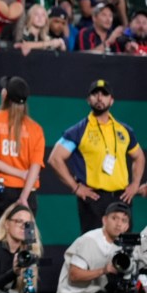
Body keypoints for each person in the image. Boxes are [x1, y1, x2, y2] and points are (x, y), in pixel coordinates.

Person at [48, 79, 145, 234]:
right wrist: (75, 187)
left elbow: (138, 156)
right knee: (94, 250)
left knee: (123, 251)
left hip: (122, 198)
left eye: (104, 94)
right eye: (95, 94)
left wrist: (135, 184)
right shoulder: (78, 131)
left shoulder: (124, 130)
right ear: (88, 100)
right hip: (94, 199)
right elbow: (55, 158)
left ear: (111, 100)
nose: (100, 98)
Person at [0, 75, 45, 238]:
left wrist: (19, 175)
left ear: (5, 95)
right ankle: (28, 265)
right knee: (28, 245)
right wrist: (24, 198)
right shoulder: (36, 129)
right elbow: (35, 167)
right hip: (29, 197)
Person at [56, 201, 136, 293]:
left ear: (127, 227)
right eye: (114, 218)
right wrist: (104, 270)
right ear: (104, 220)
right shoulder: (89, 240)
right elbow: (74, 275)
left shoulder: (119, 246)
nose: (119, 224)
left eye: (124, 220)